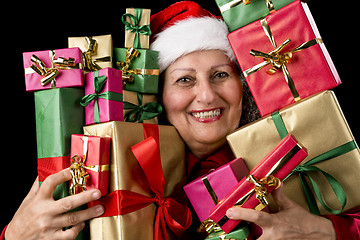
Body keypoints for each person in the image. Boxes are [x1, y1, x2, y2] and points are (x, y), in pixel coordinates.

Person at [2, 1, 359, 239]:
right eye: (185, 79)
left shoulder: (300, 155)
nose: (206, 96)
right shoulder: (105, 174)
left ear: (243, 86)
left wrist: (327, 231)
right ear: (159, 98)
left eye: (220, 75)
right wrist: (15, 235)